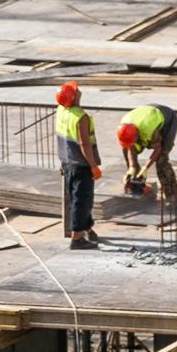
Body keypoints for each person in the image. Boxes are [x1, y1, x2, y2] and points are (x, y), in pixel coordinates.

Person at [54, 82, 102, 250]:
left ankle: (87, 228)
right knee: (81, 201)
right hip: (81, 165)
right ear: (74, 97)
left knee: (78, 199)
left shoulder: (61, 111)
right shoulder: (81, 117)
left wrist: (62, 162)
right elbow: (84, 144)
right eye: (77, 91)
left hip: (68, 162)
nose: (80, 91)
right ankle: (77, 238)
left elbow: (63, 138)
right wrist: (94, 165)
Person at [115, 104, 177, 202]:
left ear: (137, 135)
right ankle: (137, 184)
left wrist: (145, 168)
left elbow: (157, 149)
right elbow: (130, 147)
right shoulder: (124, 126)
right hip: (146, 114)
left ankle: (174, 198)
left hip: (167, 120)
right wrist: (132, 167)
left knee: (161, 161)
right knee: (125, 150)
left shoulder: (150, 129)